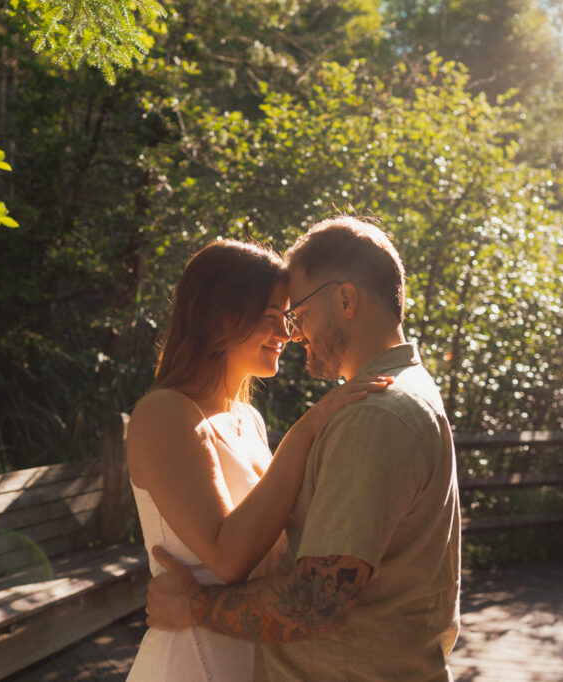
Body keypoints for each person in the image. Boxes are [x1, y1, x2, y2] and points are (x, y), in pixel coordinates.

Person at [145, 217, 462, 681]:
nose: (293, 333)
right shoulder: (403, 393)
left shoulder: (373, 415)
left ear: (346, 300)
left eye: (298, 313)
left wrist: (193, 604)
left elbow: (314, 604)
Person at [125, 239, 391, 681]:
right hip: (193, 661)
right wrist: (306, 430)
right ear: (221, 316)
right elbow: (227, 558)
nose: (288, 335)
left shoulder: (247, 418)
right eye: (271, 318)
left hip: (249, 650)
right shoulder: (165, 412)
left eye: (286, 318)